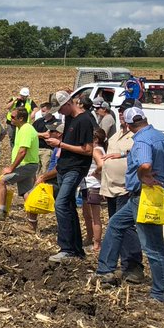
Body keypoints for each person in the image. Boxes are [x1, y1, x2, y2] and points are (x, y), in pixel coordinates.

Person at [93, 107, 164, 303]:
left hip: (144, 196)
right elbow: (143, 155)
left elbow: (144, 163)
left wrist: (142, 176)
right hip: (148, 195)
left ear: (128, 125)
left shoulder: (142, 140)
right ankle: (105, 271)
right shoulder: (158, 136)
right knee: (115, 224)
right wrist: (121, 155)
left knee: (153, 247)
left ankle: (162, 294)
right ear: (145, 119)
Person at [43, 95, 97, 263]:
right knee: (69, 206)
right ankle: (76, 250)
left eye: (60, 108)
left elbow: (88, 150)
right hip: (64, 166)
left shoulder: (85, 120)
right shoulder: (69, 117)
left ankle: (66, 248)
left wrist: (60, 145)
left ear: (68, 103)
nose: (59, 112)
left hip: (75, 168)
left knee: (61, 203)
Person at [99, 110, 144, 283]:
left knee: (125, 227)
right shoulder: (117, 134)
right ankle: (118, 265)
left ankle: (133, 267)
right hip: (111, 187)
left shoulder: (136, 137)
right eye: (120, 114)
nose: (121, 117)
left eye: (124, 114)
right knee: (115, 227)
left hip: (125, 188)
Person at [0, 107, 39, 229]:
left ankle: (1, 212)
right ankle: (32, 225)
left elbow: (23, 152)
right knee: (26, 193)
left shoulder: (26, 129)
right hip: (26, 165)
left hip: (27, 165)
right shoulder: (20, 128)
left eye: (13, 117)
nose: (10, 119)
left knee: (2, 181)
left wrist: (11, 168)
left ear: (21, 118)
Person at [82, 130, 108, 255]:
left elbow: (101, 164)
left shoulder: (96, 150)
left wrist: (96, 172)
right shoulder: (99, 149)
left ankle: (97, 244)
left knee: (95, 216)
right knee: (87, 214)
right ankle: (89, 238)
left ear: (96, 139)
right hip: (87, 184)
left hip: (94, 185)